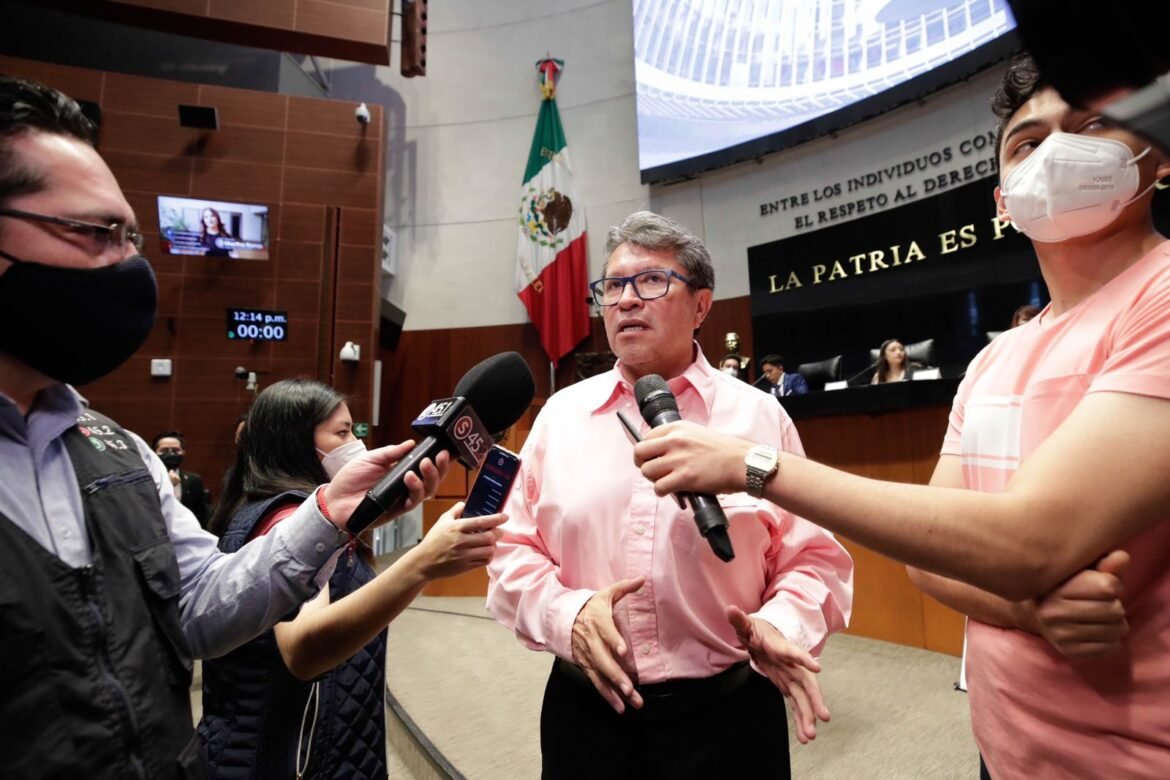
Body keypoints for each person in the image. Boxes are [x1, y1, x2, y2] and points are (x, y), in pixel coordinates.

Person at [633, 54, 1170, 778]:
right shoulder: (992, 361)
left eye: (1091, 126)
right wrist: (1030, 612)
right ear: (1004, 201)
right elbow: (929, 555)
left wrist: (752, 466)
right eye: (1027, 143)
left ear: (1157, 158)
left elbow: (1030, 541)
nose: (1056, 153)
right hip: (1008, 751)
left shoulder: (1159, 298)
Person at [0, 74, 446, 777]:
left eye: (131, 235)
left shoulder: (122, 453)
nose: (129, 265)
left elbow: (203, 606)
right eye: (93, 233)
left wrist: (331, 511)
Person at [486, 211, 853, 779]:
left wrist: (782, 623)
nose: (627, 300)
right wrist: (569, 614)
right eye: (613, 286)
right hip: (588, 714)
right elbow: (509, 550)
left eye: (652, 281)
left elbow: (813, 557)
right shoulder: (559, 418)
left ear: (702, 305)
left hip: (730, 713)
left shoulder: (758, 415)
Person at [199, 379, 504, 779]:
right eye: (341, 432)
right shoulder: (287, 520)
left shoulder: (281, 510)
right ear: (295, 442)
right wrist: (423, 562)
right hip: (293, 759)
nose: (355, 442)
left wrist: (374, 518)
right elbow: (303, 649)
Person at [153, 430, 212, 528]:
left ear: (183, 452)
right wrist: (168, 485)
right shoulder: (147, 479)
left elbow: (201, 515)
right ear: (154, 453)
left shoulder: (194, 480)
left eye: (176, 450)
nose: (171, 454)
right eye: (164, 450)